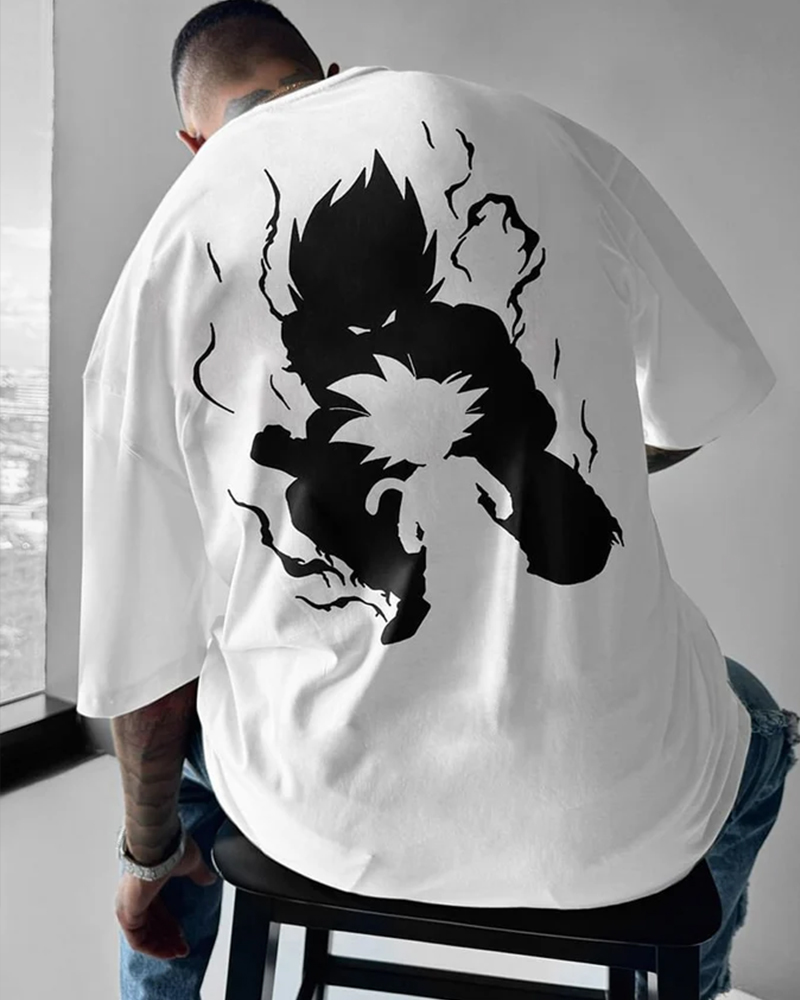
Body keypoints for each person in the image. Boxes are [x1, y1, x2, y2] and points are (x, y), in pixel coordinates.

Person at [75, 3, 798, 998]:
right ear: (328, 72)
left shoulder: (173, 245)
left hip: (321, 815)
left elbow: (143, 662)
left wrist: (146, 855)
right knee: (757, 729)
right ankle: (690, 983)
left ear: (192, 140)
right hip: (614, 817)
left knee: (183, 753)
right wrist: (551, 475)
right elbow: (696, 404)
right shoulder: (536, 145)